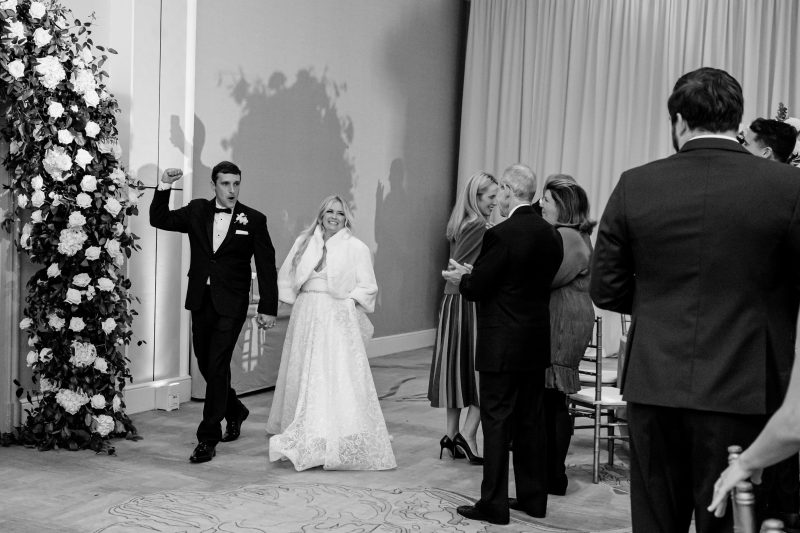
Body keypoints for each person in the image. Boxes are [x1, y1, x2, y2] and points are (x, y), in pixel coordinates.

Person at [590, 67, 800, 533]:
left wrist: (661, 306)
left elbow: (605, 287)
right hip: (744, 389)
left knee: (655, 522)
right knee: (729, 523)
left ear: (680, 121)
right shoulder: (787, 188)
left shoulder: (635, 184)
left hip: (653, 383)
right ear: (737, 122)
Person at [444, 164, 563, 525]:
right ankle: (533, 498)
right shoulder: (551, 235)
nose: (500, 197)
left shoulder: (502, 234)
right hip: (534, 342)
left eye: (503, 190)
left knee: (497, 422)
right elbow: (528, 283)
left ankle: (493, 503)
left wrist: (464, 279)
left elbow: (481, 287)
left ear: (510, 190)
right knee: (530, 421)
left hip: (501, 344)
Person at [150, 162, 278, 464]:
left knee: (218, 363)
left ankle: (208, 437)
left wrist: (267, 307)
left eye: (236, 184)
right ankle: (235, 409)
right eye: (225, 184)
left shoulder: (255, 220)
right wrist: (164, 186)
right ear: (214, 185)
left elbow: (266, 265)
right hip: (201, 298)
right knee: (207, 365)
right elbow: (160, 219)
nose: (232, 190)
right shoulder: (197, 211)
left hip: (232, 303)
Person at [266, 195, 396, 471]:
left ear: (346, 217)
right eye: (329, 211)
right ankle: (304, 427)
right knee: (304, 368)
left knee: (331, 372)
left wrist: (349, 303)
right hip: (306, 312)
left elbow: (368, 286)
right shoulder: (304, 242)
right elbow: (287, 276)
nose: (334, 216)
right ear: (321, 214)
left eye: (339, 212)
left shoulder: (356, 247)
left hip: (336, 316)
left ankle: (332, 431)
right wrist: (284, 300)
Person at [428, 171, 498, 465]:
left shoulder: (462, 223)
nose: (495, 202)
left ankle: (452, 434)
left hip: (453, 302)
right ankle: (468, 435)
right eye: (491, 197)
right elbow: (466, 269)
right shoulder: (480, 226)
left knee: (457, 370)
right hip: (468, 304)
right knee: (482, 371)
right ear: (476, 197)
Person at [539, 175, 596, 495]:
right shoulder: (573, 235)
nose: (541, 204)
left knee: (555, 399)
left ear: (562, 205)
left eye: (546, 200)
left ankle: (554, 474)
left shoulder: (568, 237)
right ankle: (551, 472)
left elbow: (549, 278)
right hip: (565, 315)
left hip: (563, 318)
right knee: (552, 400)